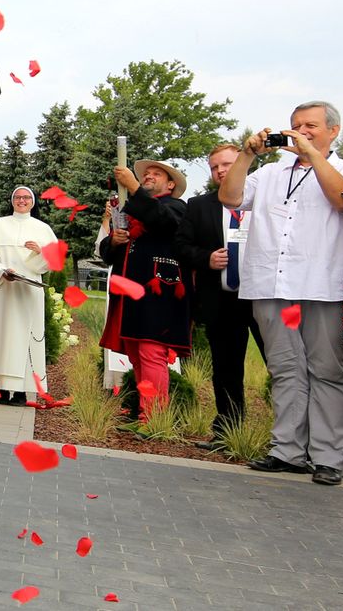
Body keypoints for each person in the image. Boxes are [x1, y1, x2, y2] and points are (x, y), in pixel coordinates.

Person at [219, 102, 343, 486]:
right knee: (285, 369)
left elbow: (341, 199)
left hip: (320, 284)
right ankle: (287, 450)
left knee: (325, 370)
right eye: (294, 126)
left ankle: (328, 457)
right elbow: (230, 198)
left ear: (333, 132)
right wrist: (246, 154)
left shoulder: (340, 169)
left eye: (310, 125)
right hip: (271, 286)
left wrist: (311, 156)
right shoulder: (271, 173)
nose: (300, 131)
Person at [175, 143, 265, 449]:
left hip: (264, 300)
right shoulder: (199, 205)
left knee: (283, 369)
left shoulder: (265, 200)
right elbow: (182, 247)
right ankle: (228, 433)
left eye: (227, 164)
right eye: (214, 167)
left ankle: (293, 439)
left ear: (243, 163)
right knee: (226, 370)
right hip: (222, 300)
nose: (221, 171)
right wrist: (206, 258)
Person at [97, 160, 192, 421]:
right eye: (146, 174)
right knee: (137, 354)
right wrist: (114, 241)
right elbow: (107, 253)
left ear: (170, 184)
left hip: (158, 293)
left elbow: (163, 221)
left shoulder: (176, 207)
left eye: (156, 174)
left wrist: (134, 186)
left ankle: (154, 417)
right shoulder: (133, 210)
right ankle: (144, 412)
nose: (149, 176)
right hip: (129, 295)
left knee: (152, 353)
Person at [0, 187, 57, 405]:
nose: (21, 201)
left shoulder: (42, 229)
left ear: (32, 202)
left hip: (28, 294)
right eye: (17, 197)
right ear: (11, 200)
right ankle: (0, 389)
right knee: (0, 337)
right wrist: (2, 271)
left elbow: (53, 261)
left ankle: (23, 391)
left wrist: (40, 252)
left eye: (25, 198)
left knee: (25, 339)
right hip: (2, 290)